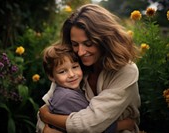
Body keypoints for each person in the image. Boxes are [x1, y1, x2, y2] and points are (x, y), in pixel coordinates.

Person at [39, 3, 141, 133]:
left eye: (88, 43)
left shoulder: (126, 71)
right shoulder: (73, 65)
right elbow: (46, 109)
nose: (80, 52)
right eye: (75, 44)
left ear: (105, 39)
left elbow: (89, 124)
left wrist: (47, 117)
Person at [36, 43, 135, 133]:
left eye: (75, 67)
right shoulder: (66, 97)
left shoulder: (71, 90)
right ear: (51, 77)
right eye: (62, 72)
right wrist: (122, 125)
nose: (71, 75)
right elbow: (92, 126)